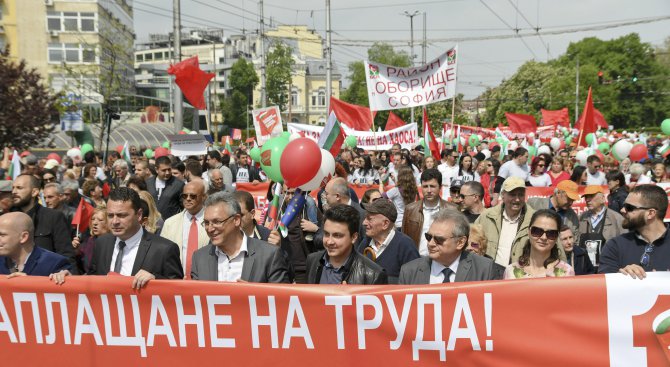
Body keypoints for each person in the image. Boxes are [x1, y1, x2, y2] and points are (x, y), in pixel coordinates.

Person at [50, 187, 184, 288]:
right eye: (110, 215)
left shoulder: (164, 249)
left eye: (121, 215)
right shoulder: (102, 243)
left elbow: (179, 291)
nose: (114, 221)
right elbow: (93, 279)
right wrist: (71, 279)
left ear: (138, 215)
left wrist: (156, 280)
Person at [190, 192, 290, 283]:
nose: (210, 228)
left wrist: (253, 294)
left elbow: (282, 299)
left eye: (217, 222)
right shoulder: (199, 258)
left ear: (236, 220)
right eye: (207, 223)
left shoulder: (269, 255)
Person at [399, 209, 500, 284]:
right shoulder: (409, 272)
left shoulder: (484, 269)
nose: (430, 243)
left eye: (439, 239)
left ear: (460, 242)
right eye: (428, 237)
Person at [599, 184, 670, 277]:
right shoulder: (615, 246)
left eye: (629, 207)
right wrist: (620, 275)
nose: (622, 210)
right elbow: (605, 285)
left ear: (650, 213)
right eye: (624, 205)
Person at [306, 205, 388, 285]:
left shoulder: (374, 274)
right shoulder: (313, 261)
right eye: (326, 234)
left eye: (337, 235)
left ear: (353, 237)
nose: (329, 241)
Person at [11, 174, 76, 271]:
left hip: (44, 280)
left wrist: (65, 274)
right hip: (11, 280)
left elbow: (66, 254)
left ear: (34, 192)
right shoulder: (8, 218)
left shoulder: (53, 217)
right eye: (13, 188)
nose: (14, 192)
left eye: (19, 188)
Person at [359, 198, 419, 284]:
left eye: (369, 219)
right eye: (365, 218)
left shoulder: (405, 246)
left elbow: (415, 281)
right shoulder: (365, 243)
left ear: (385, 224)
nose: (364, 223)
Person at [504, 210, 575, 279]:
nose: (544, 237)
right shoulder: (511, 272)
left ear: (557, 237)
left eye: (551, 233)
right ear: (528, 232)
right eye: (537, 231)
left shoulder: (566, 273)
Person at [160, 180, 209, 278]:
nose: (188, 199)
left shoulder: (213, 222)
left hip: (205, 280)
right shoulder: (170, 223)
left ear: (204, 197)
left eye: (193, 196)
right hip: (177, 279)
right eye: (184, 196)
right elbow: (162, 254)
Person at [0, 212, 71, 276]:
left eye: (2, 235)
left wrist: (29, 285)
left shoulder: (55, 264)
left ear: (23, 237)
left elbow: (69, 288)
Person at [402, 169, 451, 255]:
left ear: (440, 187)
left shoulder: (452, 210)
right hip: (416, 259)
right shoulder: (410, 209)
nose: (428, 190)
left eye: (432, 186)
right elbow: (403, 238)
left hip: (442, 259)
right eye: (425, 186)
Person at [578, 185, 625, 269]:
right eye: (586, 197)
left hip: (608, 268)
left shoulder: (616, 218)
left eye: (591, 196)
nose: (588, 200)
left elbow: (625, 246)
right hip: (585, 269)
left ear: (603, 198)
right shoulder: (581, 218)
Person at [72, 208, 109, 274]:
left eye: (100, 220)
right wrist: (76, 252)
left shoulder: (115, 242)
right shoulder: (88, 241)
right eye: (93, 219)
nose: (95, 223)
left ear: (109, 223)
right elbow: (80, 268)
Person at [146, 155, 184, 219]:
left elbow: (183, 205)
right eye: (164, 170)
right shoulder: (148, 183)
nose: (167, 173)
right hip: (151, 222)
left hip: (171, 223)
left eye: (169, 169)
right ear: (156, 169)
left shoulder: (178, 184)